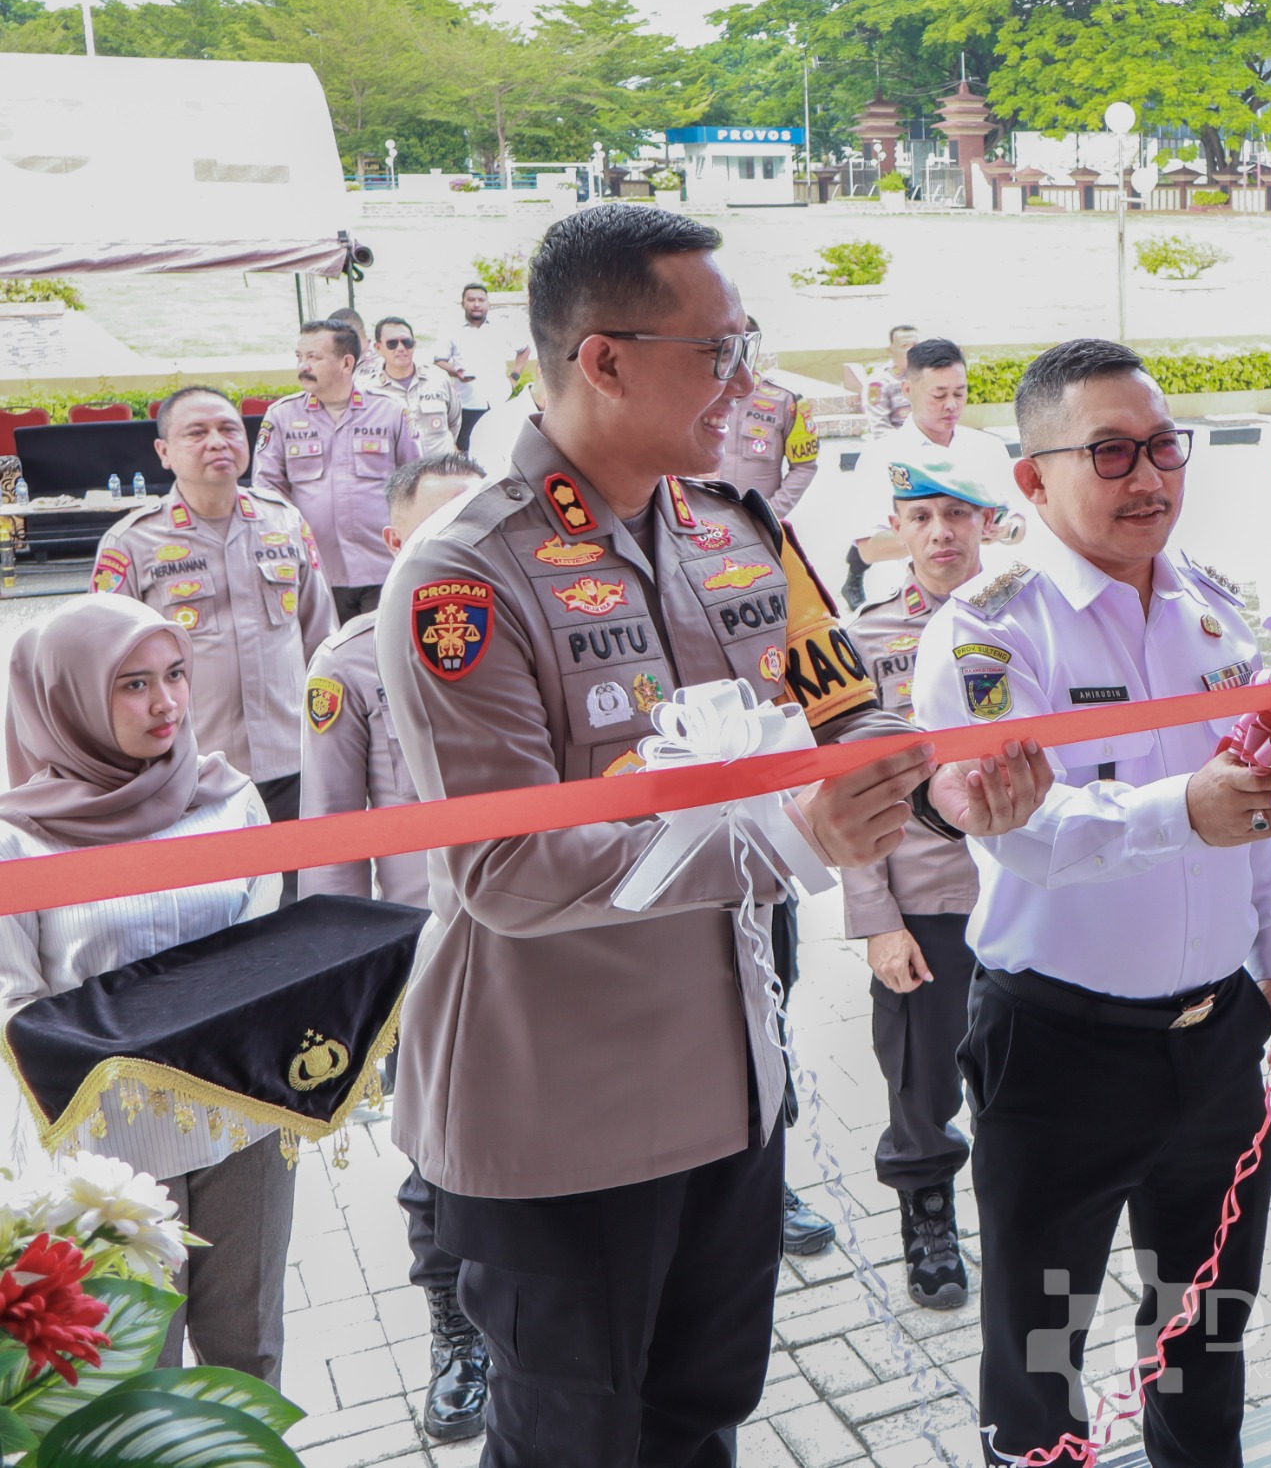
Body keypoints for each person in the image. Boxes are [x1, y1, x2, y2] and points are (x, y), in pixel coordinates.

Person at [377, 203, 1050, 1468]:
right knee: (573, 1442)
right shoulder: (465, 575)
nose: (748, 381)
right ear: (604, 359)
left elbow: (854, 726)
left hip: (732, 1086)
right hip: (557, 1112)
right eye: (718, 351)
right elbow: (502, 868)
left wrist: (947, 795)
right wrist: (790, 841)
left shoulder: (735, 531)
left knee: (700, 1417)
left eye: (746, 346)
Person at [911, 338, 1271, 1468]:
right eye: (1111, 453)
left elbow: (1260, 807)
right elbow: (1022, 834)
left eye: (1163, 448)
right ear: (1032, 480)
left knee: (1205, 1329)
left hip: (1217, 1040)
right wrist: (1183, 808)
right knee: (1041, 1349)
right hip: (1058, 1050)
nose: (1150, 477)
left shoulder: (1217, 613)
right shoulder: (990, 630)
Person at [0, 595, 293, 1380]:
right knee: (134, 1374)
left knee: (249, 1352)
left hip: (240, 1120)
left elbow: (264, 952)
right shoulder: (19, 842)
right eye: (132, 684)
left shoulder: (229, 801)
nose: (165, 703)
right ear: (64, 700)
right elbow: (13, 1005)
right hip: (110, 1147)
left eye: (174, 674)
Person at [298, 451, 491, 1439]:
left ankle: (538, 1324)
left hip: (548, 950)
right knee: (437, 1162)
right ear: (394, 541)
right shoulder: (351, 663)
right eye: (440, 528)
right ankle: (457, 1332)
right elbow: (334, 847)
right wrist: (353, 996)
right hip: (430, 963)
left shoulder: (537, 629)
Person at [842, 452, 1009, 1312]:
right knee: (922, 1083)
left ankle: (1021, 1220)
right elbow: (848, 790)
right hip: (926, 899)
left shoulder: (1027, 618)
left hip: (1026, 896)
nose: (941, 532)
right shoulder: (864, 640)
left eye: (958, 514)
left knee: (1023, 1081)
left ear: (988, 522)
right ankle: (928, 1215)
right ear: (897, 528)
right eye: (922, 517)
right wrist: (877, 919)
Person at [94, 388, 336, 836]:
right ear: (164, 452)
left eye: (228, 429)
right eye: (197, 433)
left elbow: (321, 639)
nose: (218, 442)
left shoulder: (285, 522)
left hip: (293, 757)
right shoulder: (131, 543)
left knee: (301, 875)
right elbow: (102, 666)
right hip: (187, 766)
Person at [251, 320, 422, 621]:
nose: (303, 366)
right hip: (315, 569)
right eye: (299, 357)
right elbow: (267, 490)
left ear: (346, 363)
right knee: (325, 650)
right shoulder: (281, 416)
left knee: (383, 647)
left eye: (313, 357)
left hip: (383, 567)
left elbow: (415, 483)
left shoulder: (390, 410)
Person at [845, 336, 1025, 605]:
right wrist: (950, 536)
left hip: (990, 596)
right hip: (917, 602)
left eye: (959, 393)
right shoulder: (880, 457)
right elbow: (869, 549)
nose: (951, 404)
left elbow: (1019, 524)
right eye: (939, 395)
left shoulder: (989, 449)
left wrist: (1006, 530)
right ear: (908, 390)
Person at [711, 332, 820, 519]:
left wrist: (771, 513)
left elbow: (804, 466)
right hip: (703, 519)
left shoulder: (786, 400)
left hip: (758, 523)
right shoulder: (698, 394)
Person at [436, 282, 528, 453]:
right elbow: (439, 360)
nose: (476, 304)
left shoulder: (501, 326)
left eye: (481, 300)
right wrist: (455, 372)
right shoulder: (451, 329)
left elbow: (524, 350)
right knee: (465, 450)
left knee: (499, 447)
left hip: (498, 401)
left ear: (488, 303)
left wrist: (515, 376)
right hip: (467, 403)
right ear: (462, 303)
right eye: (471, 300)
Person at [363, 315, 460, 456]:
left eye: (406, 342)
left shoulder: (438, 378)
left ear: (414, 344)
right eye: (392, 343)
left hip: (441, 466)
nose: (401, 348)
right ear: (378, 348)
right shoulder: (369, 390)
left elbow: (454, 422)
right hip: (399, 468)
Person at [864, 324, 921, 433]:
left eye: (915, 345)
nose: (911, 351)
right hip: (897, 440)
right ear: (891, 350)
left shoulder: (928, 376)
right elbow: (879, 427)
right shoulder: (879, 382)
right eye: (904, 346)